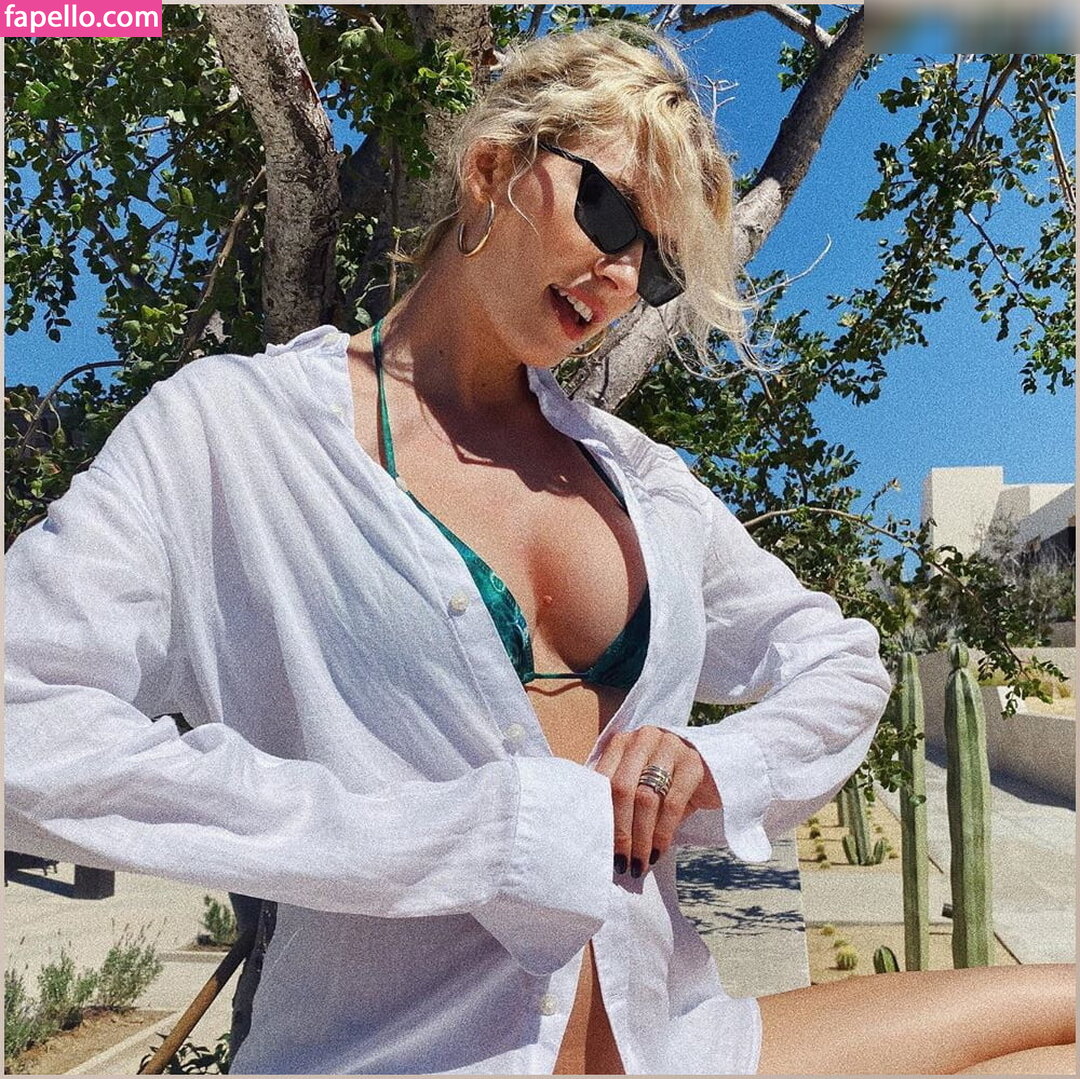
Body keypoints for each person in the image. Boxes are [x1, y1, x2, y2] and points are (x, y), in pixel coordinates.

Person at [5, 24, 1073, 1077]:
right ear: (490, 167)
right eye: (608, 210)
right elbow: (25, 722)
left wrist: (719, 764)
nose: (622, 272)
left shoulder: (639, 479)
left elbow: (839, 659)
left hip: (674, 1043)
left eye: (658, 266)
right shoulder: (234, 436)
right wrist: (474, 833)